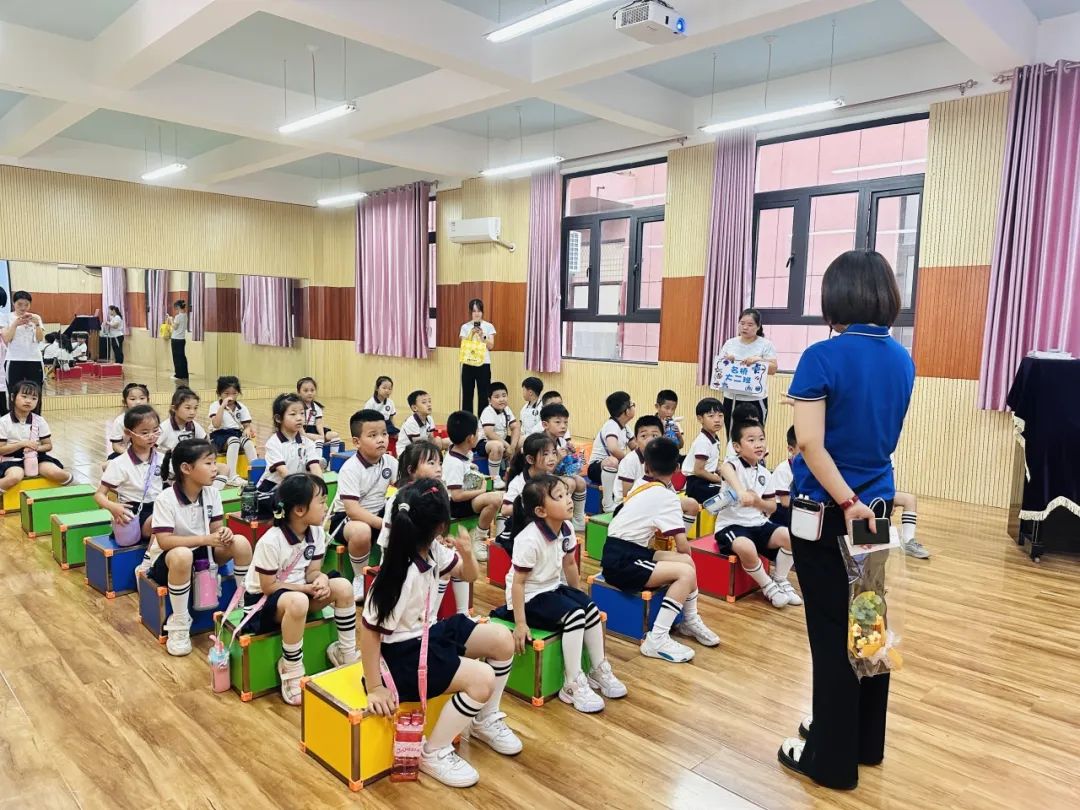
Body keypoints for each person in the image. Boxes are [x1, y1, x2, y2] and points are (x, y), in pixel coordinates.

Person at [778, 250, 915, 790]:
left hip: (833, 512)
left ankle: (830, 761)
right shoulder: (902, 358)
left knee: (832, 632)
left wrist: (845, 499)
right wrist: (862, 502)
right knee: (868, 626)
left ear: (836, 298)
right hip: (877, 513)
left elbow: (810, 443)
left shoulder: (822, 356)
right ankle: (864, 742)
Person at [361, 481, 521, 788]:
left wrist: (466, 552)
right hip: (402, 657)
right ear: (439, 525)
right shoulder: (398, 575)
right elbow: (369, 632)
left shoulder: (432, 549)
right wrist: (375, 686)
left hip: (428, 633)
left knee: (502, 640)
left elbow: (470, 576)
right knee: (482, 678)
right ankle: (433, 752)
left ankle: (485, 719)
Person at [499, 475, 626, 713]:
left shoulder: (565, 528)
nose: (568, 500)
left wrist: (576, 596)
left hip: (551, 588)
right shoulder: (529, 539)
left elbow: (569, 564)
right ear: (540, 511)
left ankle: (598, 669)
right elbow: (518, 584)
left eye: (567, 494)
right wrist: (520, 623)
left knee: (589, 608)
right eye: (559, 497)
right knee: (574, 615)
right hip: (528, 597)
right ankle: (572, 683)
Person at [600, 437, 720, 661]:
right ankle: (657, 639)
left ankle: (689, 620)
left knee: (687, 564)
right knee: (686, 570)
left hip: (624, 551)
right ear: (677, 469)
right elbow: (683, 545)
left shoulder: (642, 483)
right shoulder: (666, 496)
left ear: (646, 466)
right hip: (622, 561)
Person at [244, 473, 357, 705]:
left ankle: (345, 652)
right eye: (322, 501)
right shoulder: (271, 541)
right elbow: (268, 587)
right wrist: (306, 589)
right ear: (299, 510)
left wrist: (321, 580)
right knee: (298, 601)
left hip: (300, 594)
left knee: (343, 587)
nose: (326, 506)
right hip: (263, 604)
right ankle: (292, 666)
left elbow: (313, 571)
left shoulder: (315, 532)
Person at [148, 438, 253, 656]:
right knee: (182, 555)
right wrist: (205, 539)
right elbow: (164, 541)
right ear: (186, 468)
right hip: (171, 561)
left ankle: (244, 604)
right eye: (208, 463)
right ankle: (179, 622)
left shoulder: (212, 493)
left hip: (206, 554)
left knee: (241, 542)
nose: (215, 469)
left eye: (215, 463)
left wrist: (223, 533)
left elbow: (216, 529)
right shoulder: (166, 499)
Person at [714, 417, 801, 609]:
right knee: (746, 547)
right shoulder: (734, 464)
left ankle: (779, 579)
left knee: (791, 536)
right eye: (751, 440)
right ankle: (767, 586)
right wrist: (740, 492)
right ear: (737, 447)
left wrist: (756, 501)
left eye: (761, 439)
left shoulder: (764, 473)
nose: (758, 444)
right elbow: (724, 468)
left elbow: (772, 507)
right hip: (731, 526)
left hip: (758, 524)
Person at [329, 409, 398, 604]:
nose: (381, 440)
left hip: (377, 514)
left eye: (384, 434)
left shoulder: (390, 462)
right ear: (357, 442)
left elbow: (405, 488)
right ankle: (360, 578)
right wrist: (385, 524)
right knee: (361, 531)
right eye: (373, 435)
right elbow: (352, 510)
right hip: (347, 520)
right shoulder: (350, 468)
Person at [616, 416, 699, 534]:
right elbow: (626, 494)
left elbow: (669, 490)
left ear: (663, 438)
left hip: (655, 501)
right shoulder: (630, 460)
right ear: (636, 439)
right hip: (629, 505)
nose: (649, 440)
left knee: (692, 505)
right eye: (644, 436)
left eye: (655, 436)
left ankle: (678, 539)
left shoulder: (663, 458)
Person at [96, 404, 164, 542]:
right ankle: (148, 560)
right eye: (144, 433)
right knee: (162, 521)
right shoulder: (119, 463)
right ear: (128, 433)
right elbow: (99, 495)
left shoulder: (162, 459)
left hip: (159, 507)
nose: (151, 436)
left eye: (155, 430)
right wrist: (113, 507)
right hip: (134, 514)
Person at [443, 410, 503, 563]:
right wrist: (483, 491)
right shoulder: (454, 463)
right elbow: (456, 496)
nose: (479, 435)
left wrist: (474, 470)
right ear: (470, 438)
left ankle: (499, 537)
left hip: (465, 498)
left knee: (501, 494)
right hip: (455, 505)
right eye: (477, 432)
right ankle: (479, 539)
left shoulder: (463, 452)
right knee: (495, 499)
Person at [0, 381, 74, 492]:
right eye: (24, 396)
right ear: (12, 397)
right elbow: (1, 449)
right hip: (11, 459)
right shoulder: (4, 421)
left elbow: (48, 445)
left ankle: (76, 492)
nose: (28, 401)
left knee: (58, 473)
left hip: (36, 458)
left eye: (34, 398)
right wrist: (22, 444)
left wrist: (35, 448)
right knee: (14, 477)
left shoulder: (39, 420)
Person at [715, 308, 778, 438]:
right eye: (742, 323)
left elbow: (773, 369)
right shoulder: (730, 343)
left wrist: (759, 360)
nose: (745, 327)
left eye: (750, 325)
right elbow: (719, 367)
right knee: (732, 436)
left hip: (755, 399)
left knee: (754, 436)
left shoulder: (765, 344)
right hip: (731, 398)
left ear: (758, 326)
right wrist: (727, 361)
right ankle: (732, 458)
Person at [158, 387, 228, 488]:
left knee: (224, 468)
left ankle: (212, 492)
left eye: (195, 408)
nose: (192, 412)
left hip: (193, 464)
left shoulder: (194, 425)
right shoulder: (164, 427)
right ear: (174, 408)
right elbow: (152, 449)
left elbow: (207, 445)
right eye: (188, 408)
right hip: (172, 467)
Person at [258, 394, 323, 499]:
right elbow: (283, 472)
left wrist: (321, 488)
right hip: (272, 490)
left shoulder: (308, 443)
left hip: (297, 489)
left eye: (302, 413)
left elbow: (315, 467)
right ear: (278, 419)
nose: (299, 418)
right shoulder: (273, 443)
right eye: (293, 414)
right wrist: (301, 492)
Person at [540, 402, 588, 532]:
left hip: (555, 475)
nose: (563, 426)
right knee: (569, 483)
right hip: (541, 478)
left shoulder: (561, 440)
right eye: (558, 422)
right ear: (545, 424)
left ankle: (577, 520)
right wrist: (558, 458)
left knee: (580, 481)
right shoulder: (540, 442)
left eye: (565, 423)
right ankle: (562, 520)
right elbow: (542, 470)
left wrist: (570, 455)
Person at [587, 391, 637, 513]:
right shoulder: (611, 425)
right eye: (632, 404)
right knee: (612, 461)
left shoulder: (625, 427)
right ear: (626, 411)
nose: (634, 406)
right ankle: (608, 503)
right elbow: (613, 448)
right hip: (597, 468)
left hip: (616, 468)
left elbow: (635, 447)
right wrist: (628, 461)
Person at [208, 376, 257, 487]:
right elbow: (216, 424)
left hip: (236, 432)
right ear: (219, 393)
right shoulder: (215, 406)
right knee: (234, 441)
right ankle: (232, 476)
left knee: (248, 442)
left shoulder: (241, 407)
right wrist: (222, 406)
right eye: (226, 393)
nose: (231, 396)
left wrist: (248, 430)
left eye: (234, 393)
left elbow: (246, 425)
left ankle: (256, 471)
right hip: (219, 435)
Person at [3, 291, 46, 415]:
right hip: (14, 359)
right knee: (13, 391)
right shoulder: (7, 317)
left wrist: (36, 324)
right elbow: (6, 338)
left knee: (36, 392)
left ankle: (35, 422)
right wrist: (16, 324)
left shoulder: (36, 317)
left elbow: (39, 338)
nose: (23, 308)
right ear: (13, 303)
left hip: (35, 360)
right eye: (19, 304)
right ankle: (13, 420)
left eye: (26, 305)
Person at [681, 397, 725, 507]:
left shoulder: (713, 439)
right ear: (700, 419)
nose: (717, 420)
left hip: (705, 481)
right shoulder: (703, 442)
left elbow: (711, 463)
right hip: (697, 485)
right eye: (711, 416)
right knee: (728, 494)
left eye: (720, 416)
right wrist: (719, 480)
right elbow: (699, 470)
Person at [478, 381, 519, 488]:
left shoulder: (507, 409)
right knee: (497, 446)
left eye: (504, 396)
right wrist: (507, 446)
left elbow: (515, 427)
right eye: (497, 397)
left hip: (502, 440)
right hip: (485, 443)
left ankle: (514, 473)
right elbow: (489, 433)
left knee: (523, 441)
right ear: (489, 400)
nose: (501, 399)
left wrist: (513, 447)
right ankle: (494, 479)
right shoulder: (488, 411)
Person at [459, 299, 495, 417]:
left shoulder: (489, 326)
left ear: (482, 312)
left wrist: (482, 336)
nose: (477, 313)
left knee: (484, 395)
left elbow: (491, 346)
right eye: (474, 311)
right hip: (468, 364)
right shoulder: (465, 327)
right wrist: (471, 333)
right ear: (470, 312)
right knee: (467, 395)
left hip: (483, 364)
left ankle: (483, 422)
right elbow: (464, 345)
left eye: (479, 310)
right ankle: (468, 423)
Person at [296, 377, 342, 460]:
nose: (309, 393)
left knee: (335, 435)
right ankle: (318, 461)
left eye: (312, 390)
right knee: (319, 440)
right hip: (302, 430)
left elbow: (319, 423)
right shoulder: (296, 407)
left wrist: (322, 435)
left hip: (314, 429)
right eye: (306, 391)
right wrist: (304, 435)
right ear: (299, 392)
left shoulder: (317, 407)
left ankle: (333, 459)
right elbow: (298, 424)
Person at [105, 383, 150, 459]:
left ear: (148, 400)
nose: (138, 402)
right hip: (125, 454)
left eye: (142, 398)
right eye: (133, 399)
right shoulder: (120, 421)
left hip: (146, 454)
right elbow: (116, 446)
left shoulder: (151, 419)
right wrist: (131, 456)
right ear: (124, 402)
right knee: (109, 463)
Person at [769, 426, 798, 528]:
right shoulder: (783, 469)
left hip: (795, 508)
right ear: (791, 449)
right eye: (803, 449)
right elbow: (785, 502)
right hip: (781, 512)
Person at [169, 300, 189, 381]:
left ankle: (178, 375)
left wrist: (170, 320)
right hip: (182, 340)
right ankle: (184, 374)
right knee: (182, 357)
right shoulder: (185, 315)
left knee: (176, 358)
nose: (175, 309)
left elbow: (175, 327)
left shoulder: (178, 316)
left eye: (175, 308)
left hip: (176, 340)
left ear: (177, 307)